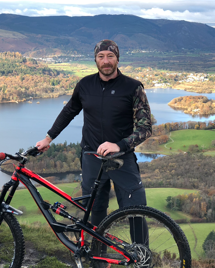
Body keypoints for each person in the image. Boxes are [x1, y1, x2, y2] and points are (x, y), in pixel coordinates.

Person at [36, 39, 152, 230]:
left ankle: (142, 259)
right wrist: (49, 138)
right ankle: (98, 258)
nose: (106, 61)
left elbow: (145, 127)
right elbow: (69, 112)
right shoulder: (85, 85)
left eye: (110, 56)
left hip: (122, 159)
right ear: (95, 60)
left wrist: (119, 145)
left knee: (136, 211)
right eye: (101, 56)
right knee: (95, 211)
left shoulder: (133, 87)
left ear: (117, 59)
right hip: (91, 157)